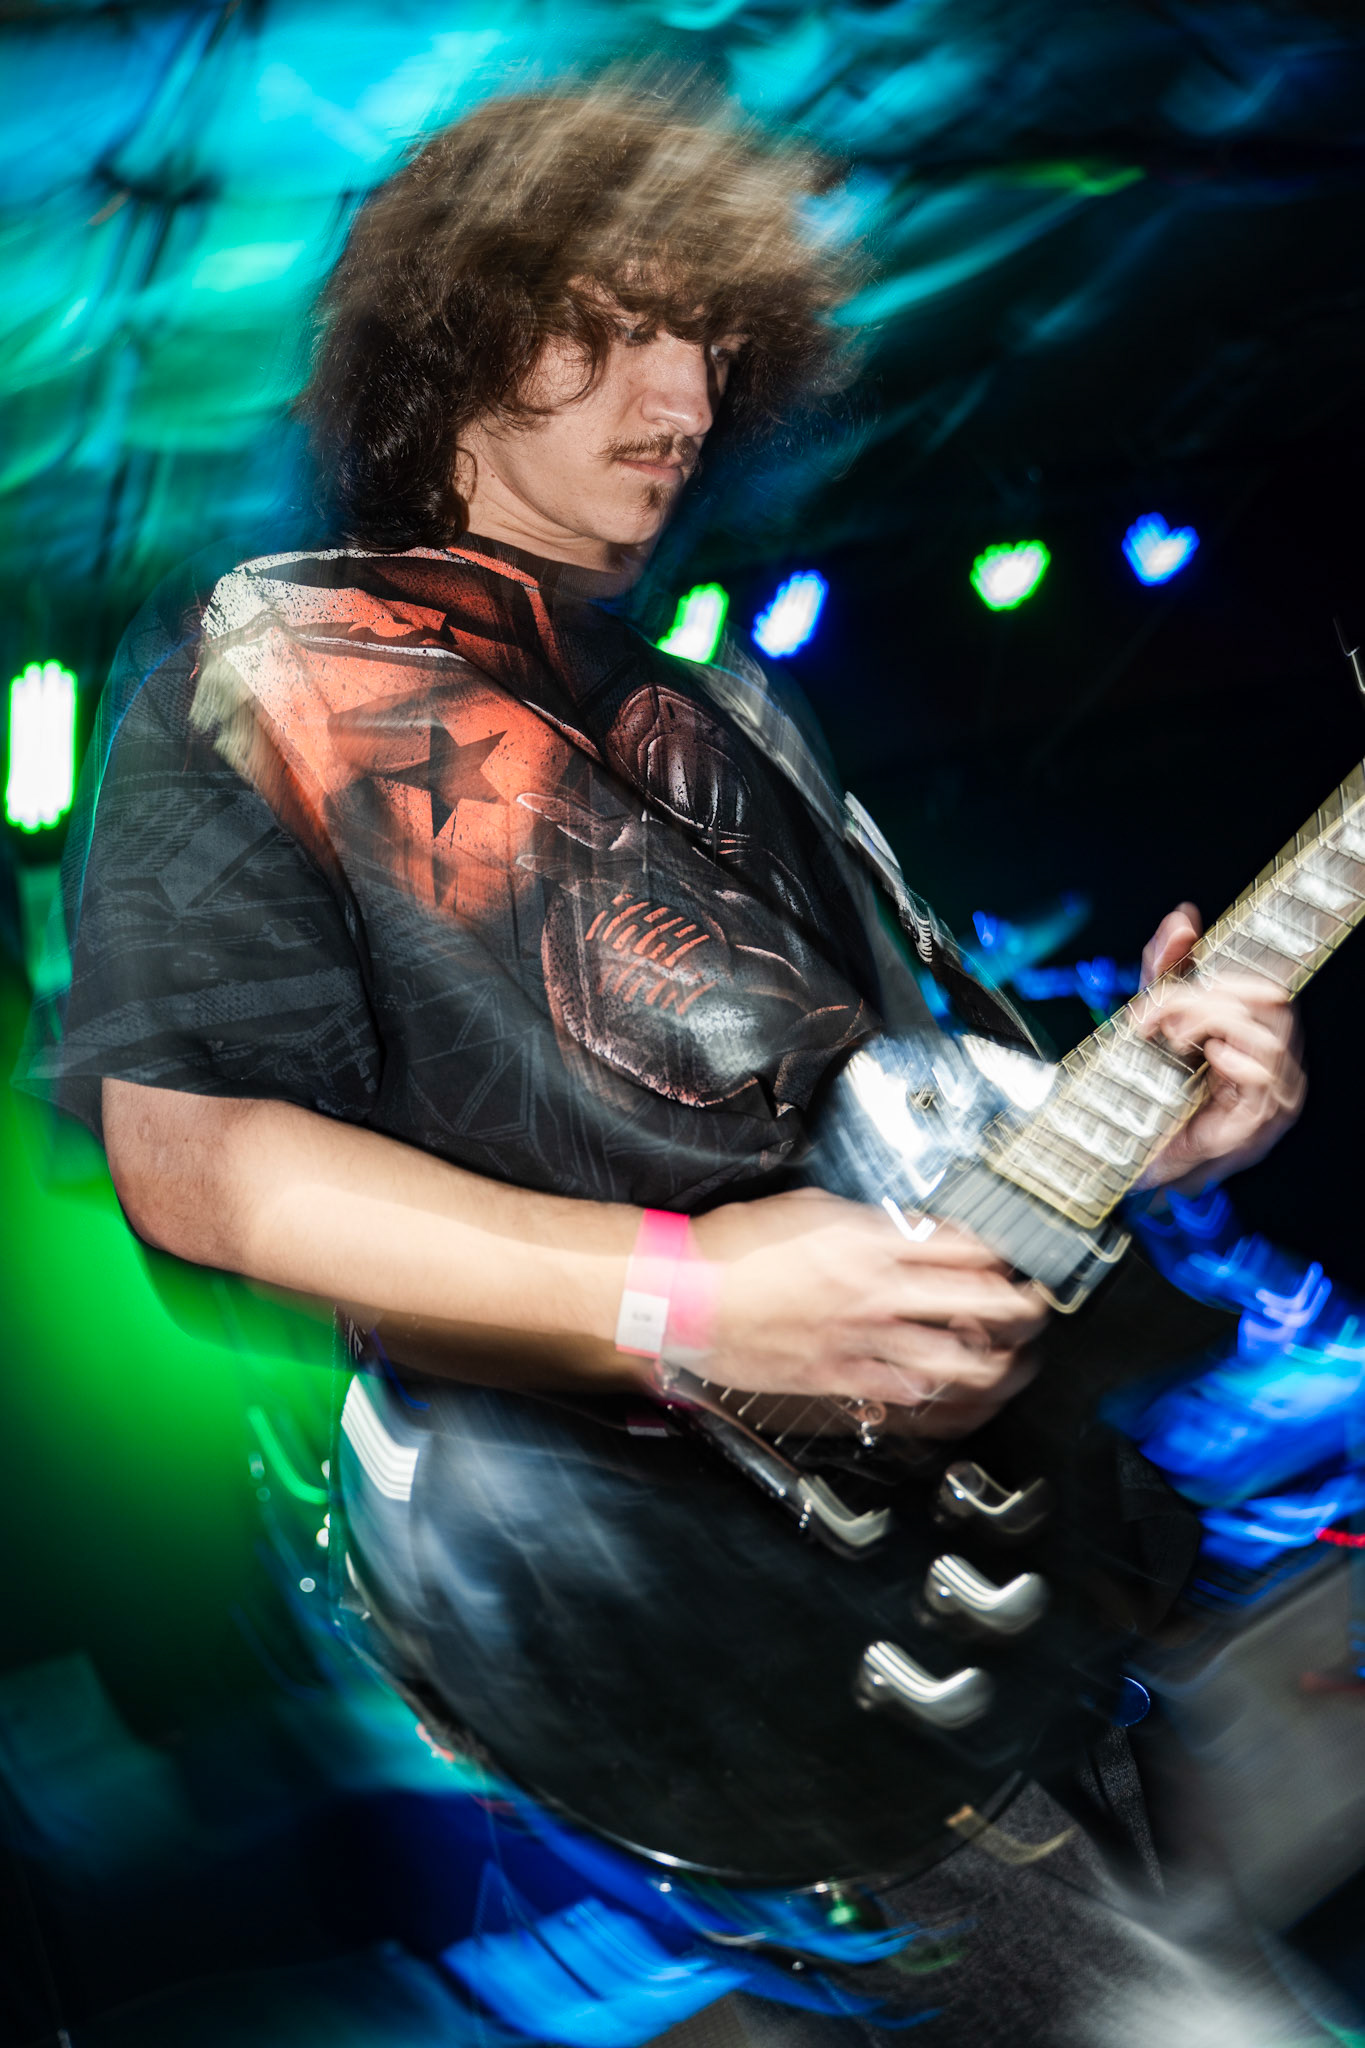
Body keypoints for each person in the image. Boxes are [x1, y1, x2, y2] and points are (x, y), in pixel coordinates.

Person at [23, 84, 1319, 2047]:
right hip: (662, 1614)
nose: (681, 397)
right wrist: (685, 1295)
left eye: (707, 343)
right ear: (449, 349)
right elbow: (199, 1164)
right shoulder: (269, 678)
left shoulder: (729, 716)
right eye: (609, 332)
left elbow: (899, 1147)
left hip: (1001, 1570)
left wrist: (1152, 1125)